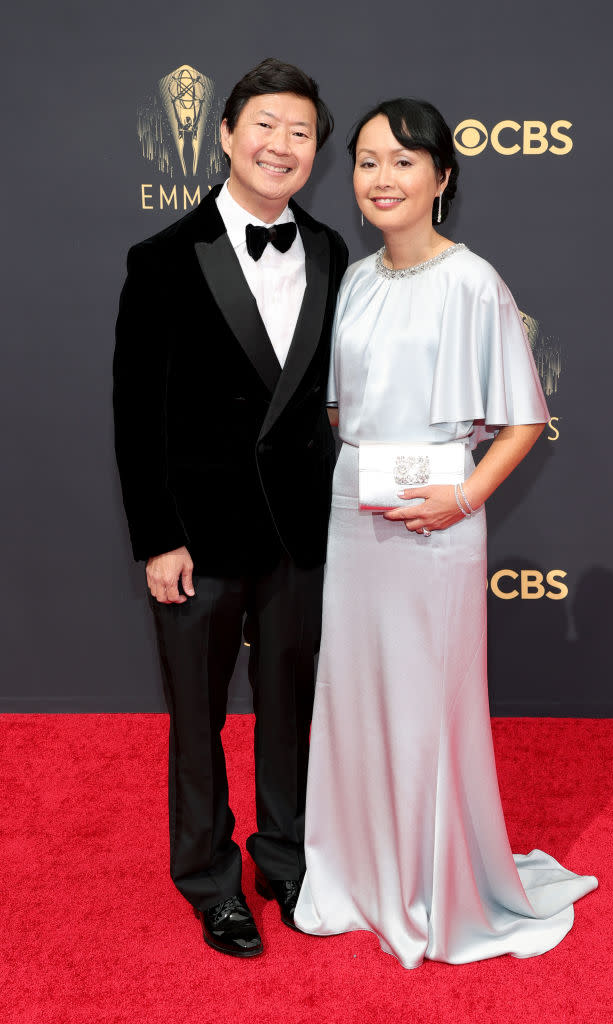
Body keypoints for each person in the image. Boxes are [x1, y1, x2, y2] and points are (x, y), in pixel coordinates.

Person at [294, 98, 597, 967]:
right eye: (366, 161)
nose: (381, 177)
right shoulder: (353, 279)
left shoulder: (473, 280)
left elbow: (522, 419)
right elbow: (337, 407)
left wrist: (460, 500)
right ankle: (357, 871)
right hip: (356, 514)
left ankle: (433, 883)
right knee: (354, 697)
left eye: (402, 160)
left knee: (427, 707)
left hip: (438, 524)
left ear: (441, 178)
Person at [113, 58, 348, 958]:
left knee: (291, 706)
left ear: (315, 152)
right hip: (197, 538)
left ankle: (282, 857)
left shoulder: (328, 250)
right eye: (265, 127)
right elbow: (135, 411)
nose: (281, 145)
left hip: (298, 533)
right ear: (224, 135)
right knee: (197, 717)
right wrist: (157, 535)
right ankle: (209, 880)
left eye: (299, 133)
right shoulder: (162, 259)